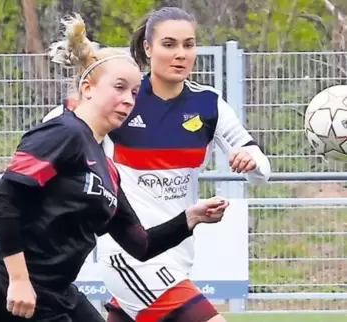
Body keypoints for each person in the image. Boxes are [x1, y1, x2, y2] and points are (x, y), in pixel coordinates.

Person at [0, 13, 230, 322]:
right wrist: (18, 279)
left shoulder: (107, 170)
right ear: (88, 87)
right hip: (12, 289)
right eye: (119, 87)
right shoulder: (63, 132)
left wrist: (192, 216)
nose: (127, 100)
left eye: (134, 93)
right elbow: (3, 201)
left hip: (58, 292)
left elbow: (141, 244)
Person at [43, 7, 271, 322]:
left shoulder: (208, 104)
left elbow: (261, 170)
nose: (180, 54)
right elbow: (52, 127)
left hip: (177, 254)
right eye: (169, 44)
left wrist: (251, 161)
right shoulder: (124, 98)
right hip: (131, 256)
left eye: (188, 45)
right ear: (148, 48)